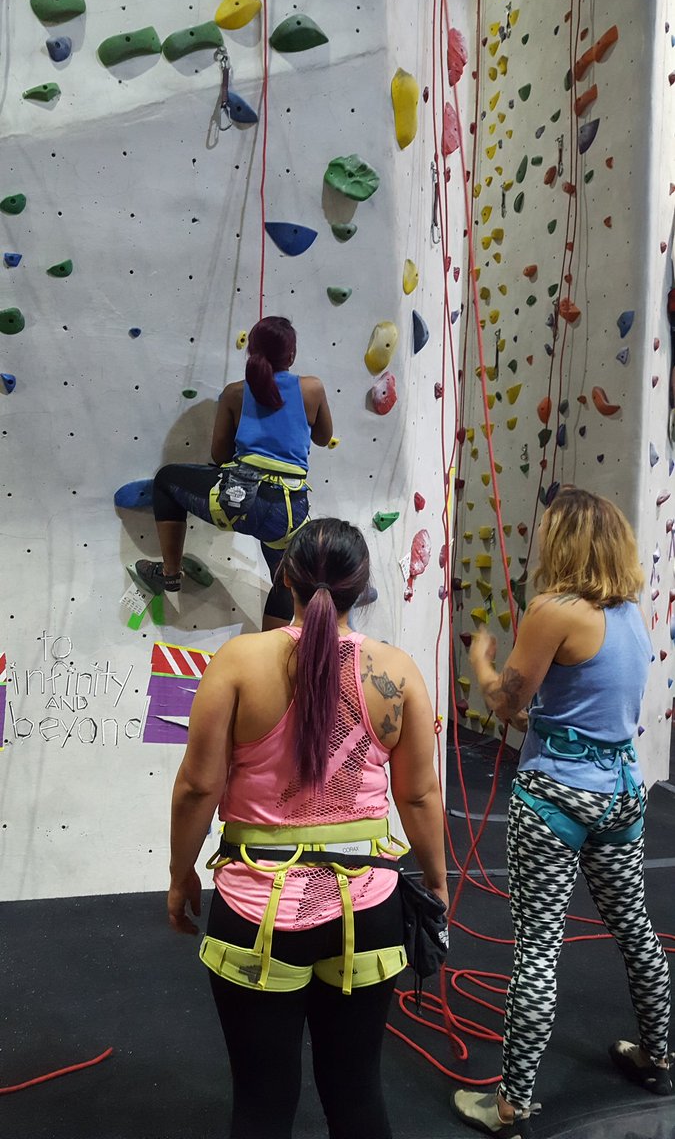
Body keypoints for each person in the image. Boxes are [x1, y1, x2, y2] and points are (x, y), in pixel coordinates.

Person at [167, 517, 448, 1139]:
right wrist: (435, 880)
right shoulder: (395, 672)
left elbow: (196, 787)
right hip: (369, 908)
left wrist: (180, 873)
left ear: (284, 577)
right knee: (356, 1092)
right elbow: (421, 794)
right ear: (362, 588)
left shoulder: (239, 662)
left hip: (256, 908)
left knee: (263, 1102)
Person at [453, 487, 673, 1138]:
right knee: (633, 926)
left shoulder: (553, 610)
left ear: (563, 542)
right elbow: (588, 704)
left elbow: (505, 704)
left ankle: (511, 1104)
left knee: (538, 947)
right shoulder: (631, 615)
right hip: (620, 796)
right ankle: (657, 1057)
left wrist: (479, 658)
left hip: (554, 801)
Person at [132, 316, 333, 628]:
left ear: (250, 351)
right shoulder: (312, 389)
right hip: (288, 514)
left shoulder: (235, 393)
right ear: (291, 355)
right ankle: (269, 654)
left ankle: (170, 575)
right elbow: (322, 437)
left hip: (236, 503)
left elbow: (219, 454)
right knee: (283, 579)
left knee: (166, 480)